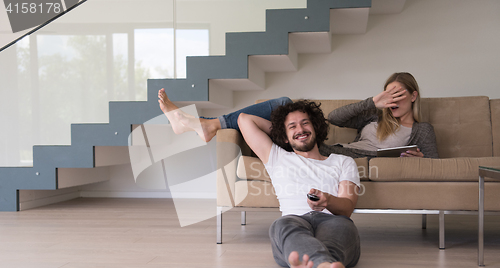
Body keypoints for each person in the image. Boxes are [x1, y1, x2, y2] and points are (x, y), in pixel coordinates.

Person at [237, 100, 361, 268]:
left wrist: (328, 201)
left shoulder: (343, 162)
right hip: (294, 220)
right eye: (292, 127)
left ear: (316, 128)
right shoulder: (276, 156)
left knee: (343, 227)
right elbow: (244, 119)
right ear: (284, 136)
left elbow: (347, 207)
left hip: (334, 220)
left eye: (305, 124)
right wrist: (280, 132)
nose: (301, 129)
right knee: (282, 225)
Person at [158, 72, 439, 158]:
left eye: (399, 95)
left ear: (413, 96)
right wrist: (373, 102)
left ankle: (206, 125)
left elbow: (437, 165)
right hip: (327, 149)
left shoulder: (422, 130)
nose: (393, 101)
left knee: (273, 109)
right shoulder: (373, 118)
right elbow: (336, 118)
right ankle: (209, 125)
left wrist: (420, 161)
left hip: (331, 157)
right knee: (282, 102)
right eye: (388, 95)